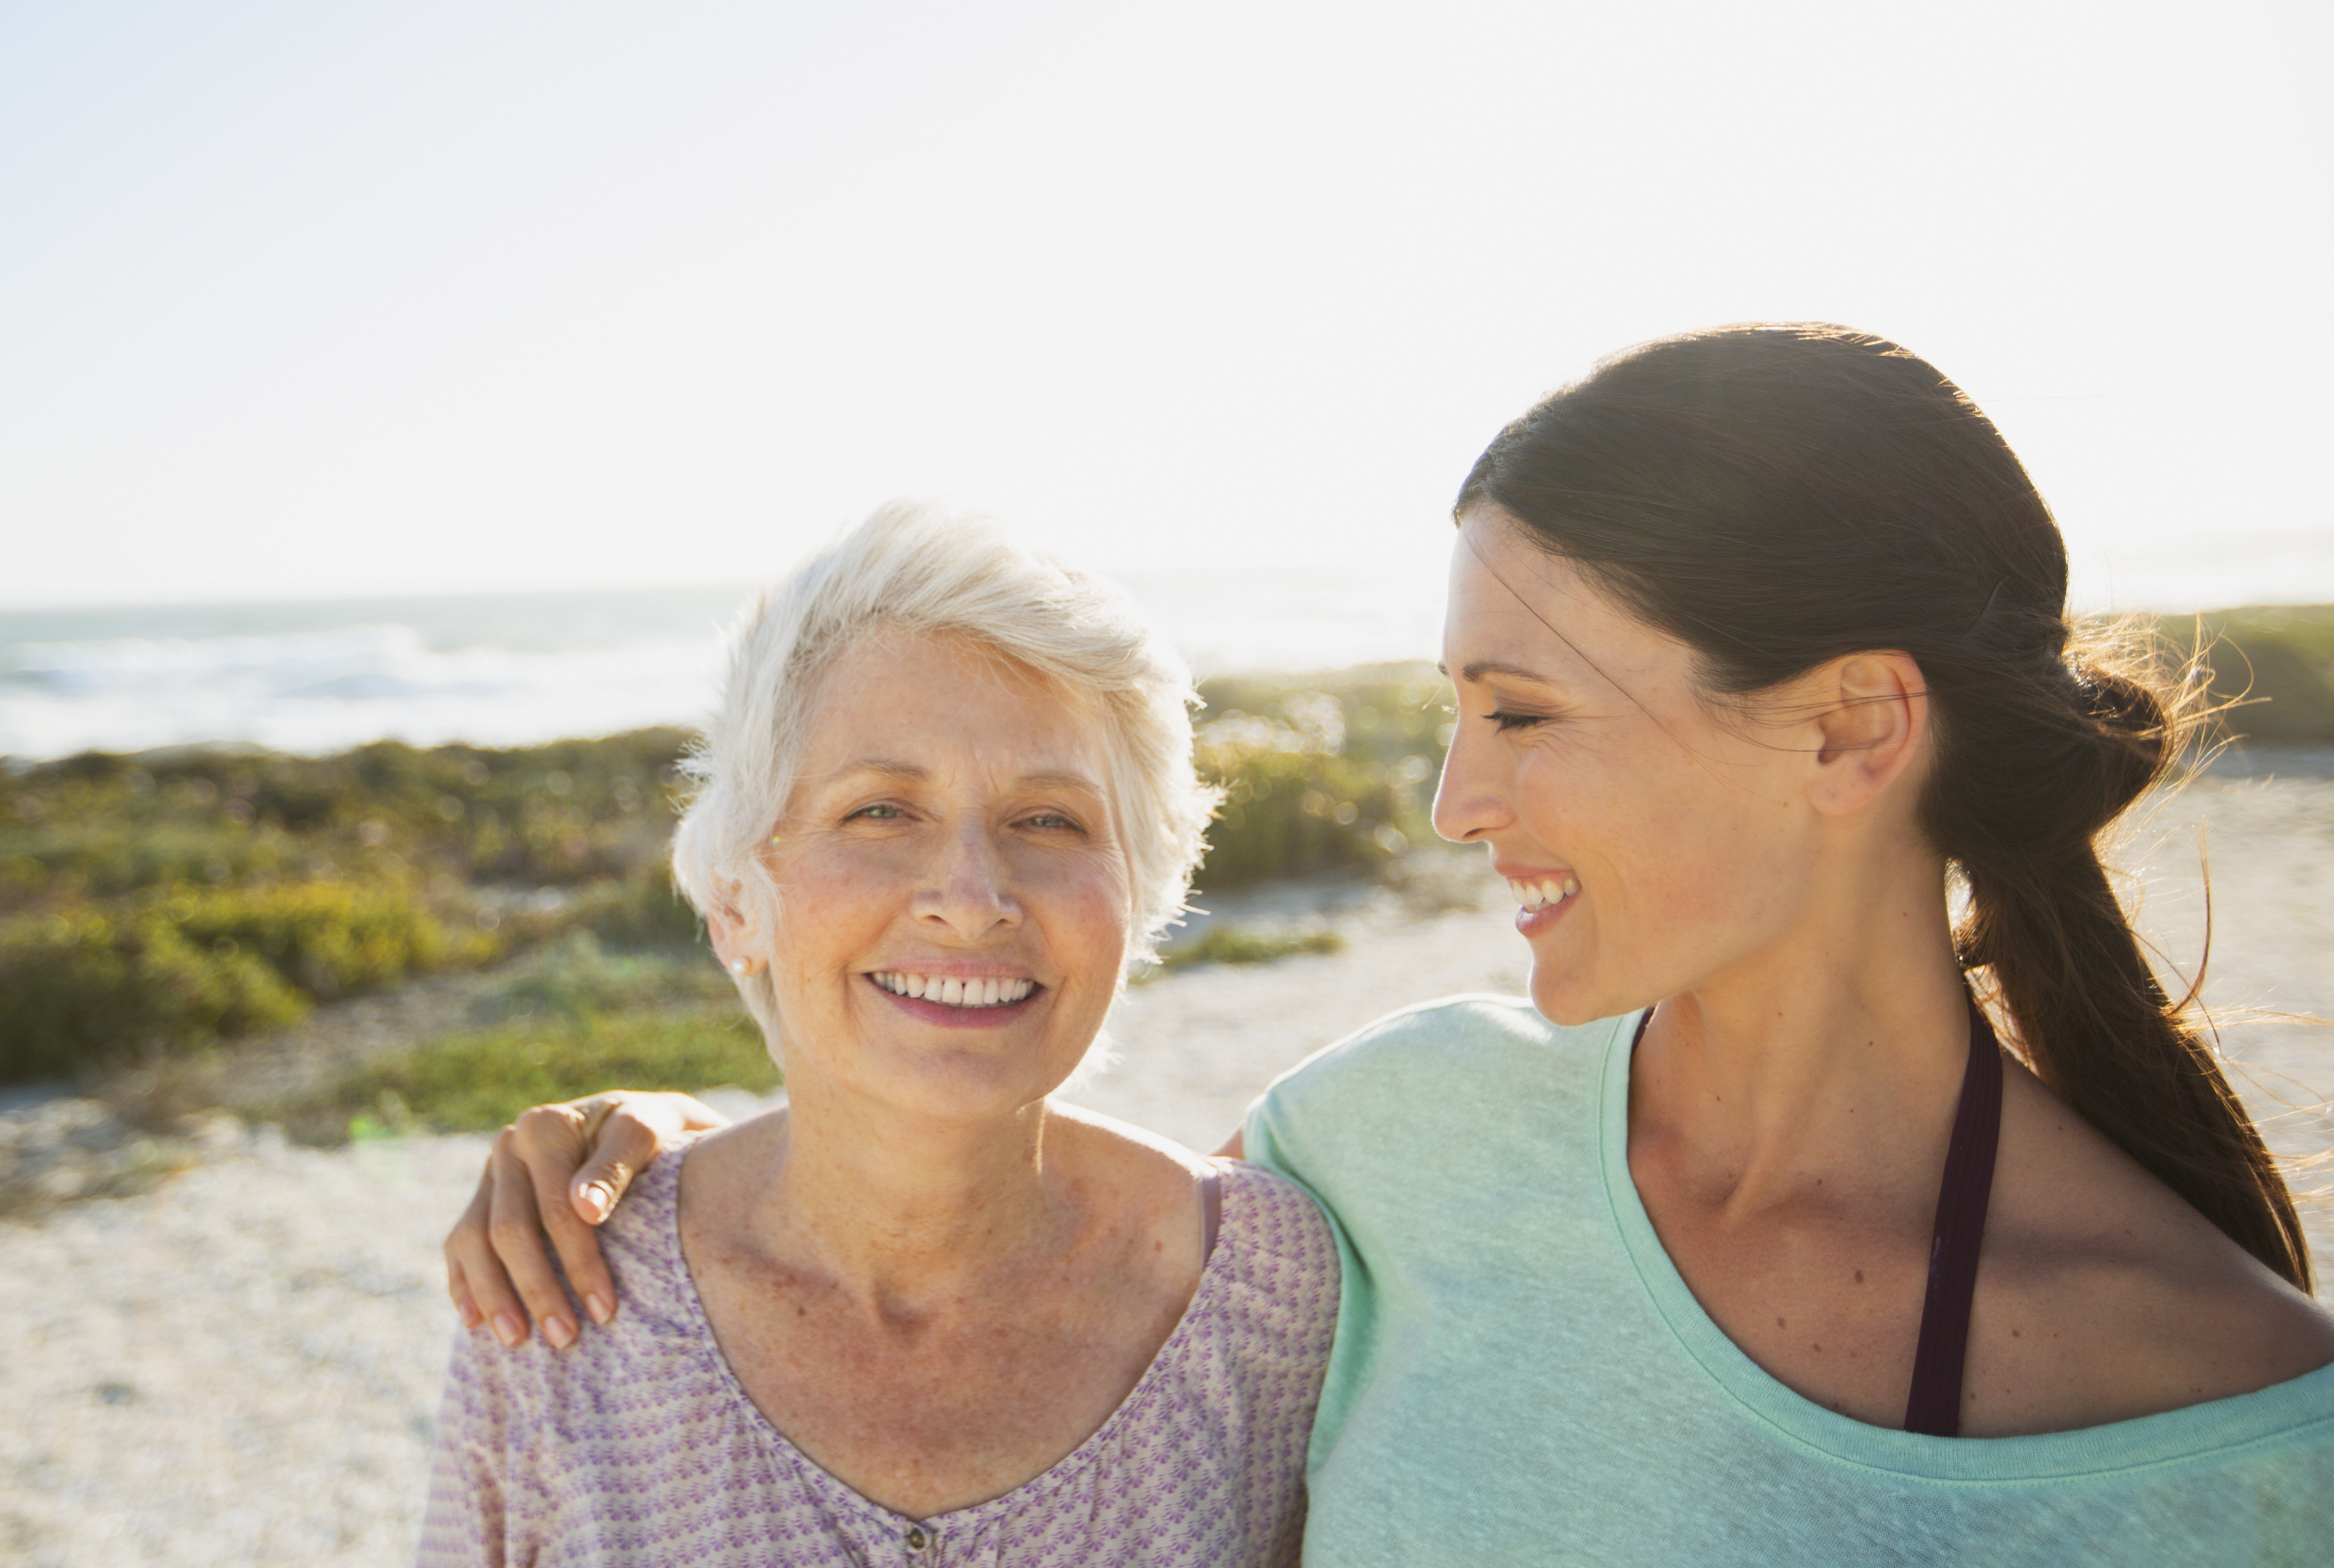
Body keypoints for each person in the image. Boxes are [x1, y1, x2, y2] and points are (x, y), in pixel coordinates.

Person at [445, 326, 2334, 1563]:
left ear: (1845, 726)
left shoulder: (2243, 1427)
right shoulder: (1382, 1147)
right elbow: (952, 1175)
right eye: (1448, 708)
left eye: (1517, 709)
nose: (1451, 799)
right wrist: (656, 1135)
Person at [418, 502, 1339, 1566]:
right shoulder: (559, 1294)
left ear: (1140, 894)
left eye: (1049, 818)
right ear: (735, 897)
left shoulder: (1267, 1288)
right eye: (880, 811)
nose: (973, 896)